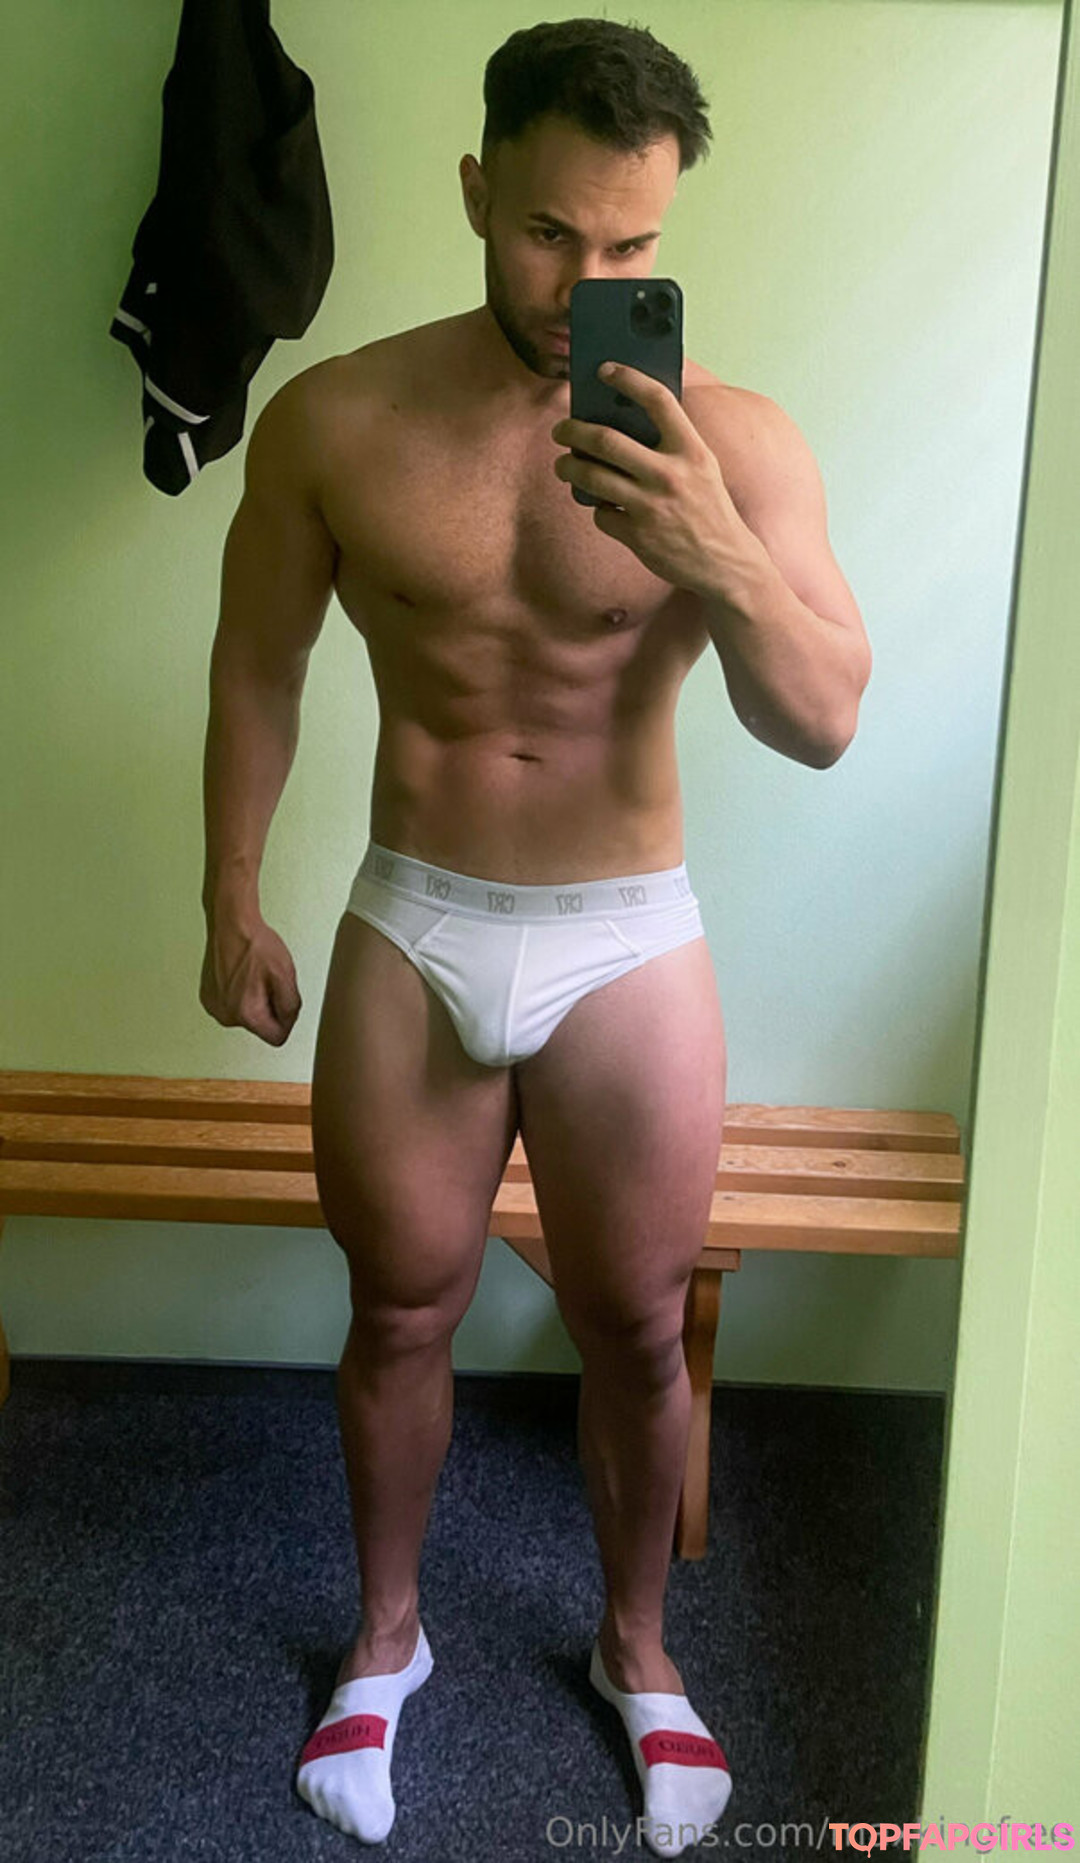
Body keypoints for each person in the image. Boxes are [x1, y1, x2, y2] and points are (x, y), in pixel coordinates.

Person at [199, 17, 871, 1856]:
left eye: (633, 245)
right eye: (551, 234)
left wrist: (715, 548)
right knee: (397, 1307)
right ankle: (387, 1639)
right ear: (478, 191)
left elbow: (822, 717)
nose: (588, 281)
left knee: (637, 1327)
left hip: (624, 936)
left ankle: (640, 1652)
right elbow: (258, 661)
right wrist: (230, 890)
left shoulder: (734, 442)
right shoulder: (336, 419)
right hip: (417, 916)